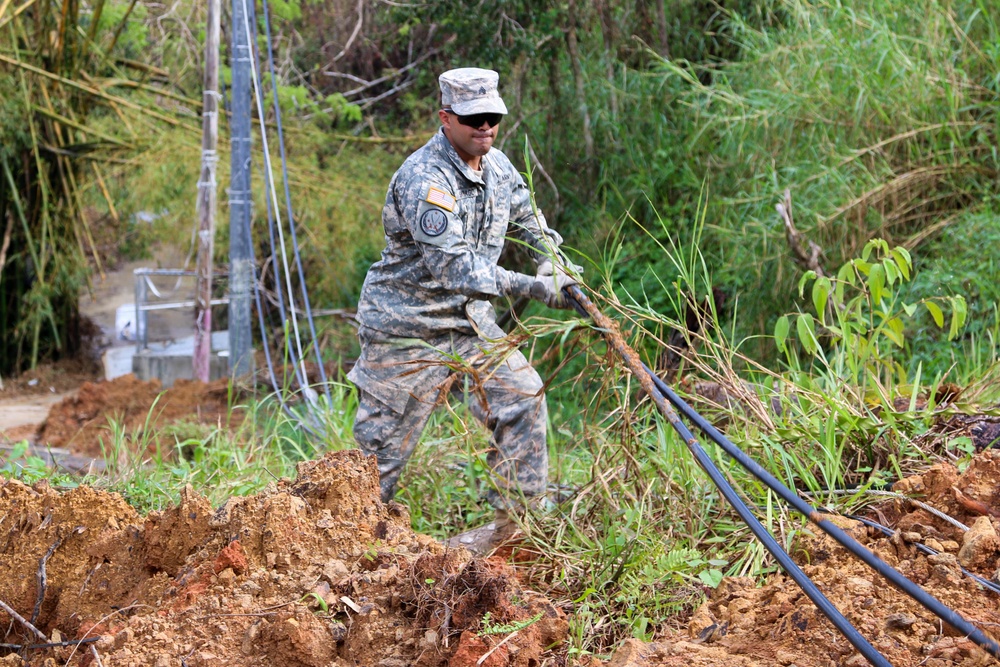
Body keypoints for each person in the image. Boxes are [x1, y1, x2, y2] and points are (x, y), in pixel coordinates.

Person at [347, 67, 580, 554]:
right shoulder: (423, 179)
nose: (485, 128)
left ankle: (517, 535)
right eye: (474, 118)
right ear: (446, 118)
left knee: (523, 398)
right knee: (375, 466)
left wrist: (553, 258)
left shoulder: (497, 167)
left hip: (470, 326)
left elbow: (527, 216)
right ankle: (337, 555)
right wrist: (536, 286)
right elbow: (457, 269)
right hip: (408, 332)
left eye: (493, 117)